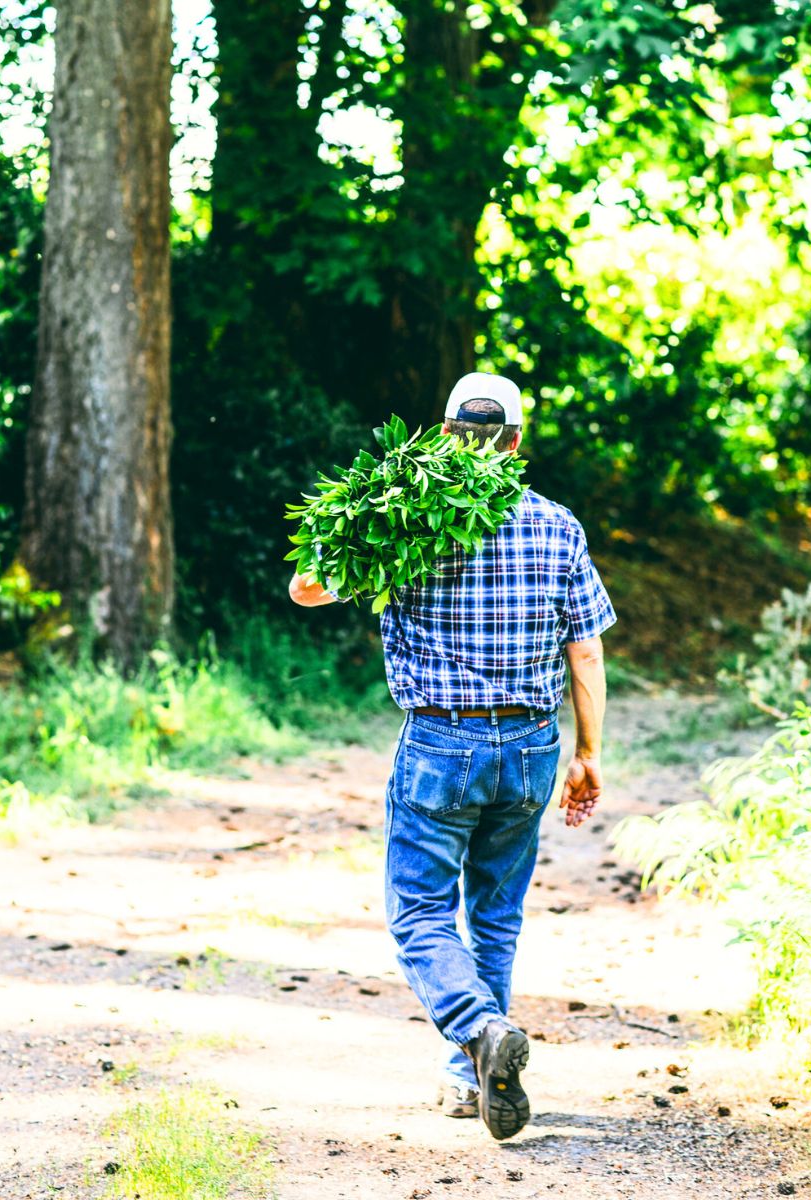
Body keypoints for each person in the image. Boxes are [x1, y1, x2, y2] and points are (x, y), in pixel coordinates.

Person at [289, 371, 616, 1140]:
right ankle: (467, 1076)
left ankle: (476, 1034)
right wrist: (589, 755)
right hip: (534, 745)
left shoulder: (407, 524)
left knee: (419, 913)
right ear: (516, 443)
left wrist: (366, 518)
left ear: (442, 437)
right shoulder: (556, 525)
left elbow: (307, 589)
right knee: (495, 916)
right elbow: (588, 651)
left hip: (441, 744)